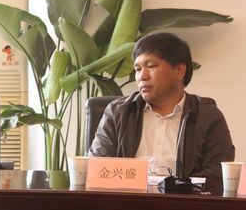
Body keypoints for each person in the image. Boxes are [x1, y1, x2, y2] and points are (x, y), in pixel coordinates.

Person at [89, 33, 234, 178]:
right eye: (138, 69)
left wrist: (176, 188)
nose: (142, 76)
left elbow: (218, 175)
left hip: (184, 194)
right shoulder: (119, 112)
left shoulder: (208, 116)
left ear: (179, 71)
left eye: (150, 66)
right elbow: (97, 169)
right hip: (126, 193)